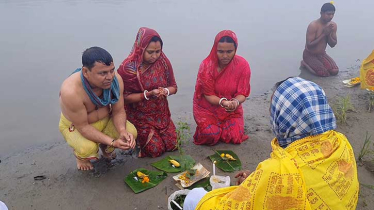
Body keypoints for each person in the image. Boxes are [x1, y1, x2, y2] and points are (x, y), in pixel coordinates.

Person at [186, 77, 359, 210]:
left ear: (285, 117)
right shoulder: (341, 143)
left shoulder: (277, 170)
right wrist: (257, 181)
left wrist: (198, 199)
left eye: (274, 111)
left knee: (195, 198)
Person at [59, 47, 137, 170]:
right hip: (78, 126)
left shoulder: (116, 81)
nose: (110, 77)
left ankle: (105, 148)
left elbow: (118, 111)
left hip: (105, 119)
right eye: (103, 73)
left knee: (130, 132)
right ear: (85, 72)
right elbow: (83, 127)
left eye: (112, 70)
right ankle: (80, 157)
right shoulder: (71, 91)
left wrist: (122, 131)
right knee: (87, 149)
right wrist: (112, 141)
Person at [117, 27, 178, 158]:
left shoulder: (163, 61)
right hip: (140, 115)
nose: (155, 56)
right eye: (150, 52)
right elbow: (123, 98)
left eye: (158, 51)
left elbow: (173, 87)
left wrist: (165, 91)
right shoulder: (128, 69)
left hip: (161, 114)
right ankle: (138, 139)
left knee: (173, 145)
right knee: (155, 150)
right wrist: (147, 95)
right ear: (141, 48)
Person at [193, 30, 251, 146]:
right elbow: (208, 94)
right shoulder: (207, 66)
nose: (225, 56)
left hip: (231, 110)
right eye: (220, 52)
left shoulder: (242, 65)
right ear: (215, 49)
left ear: (235, 50)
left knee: (234, 137)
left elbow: (242, 93)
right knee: (210, 135)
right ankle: (207, 128)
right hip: (208, 109)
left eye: (229, 51)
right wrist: (222, 102)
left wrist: (235, 102)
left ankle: (226, 127)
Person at [301, 2, 339, 77]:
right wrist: (324, 34)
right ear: (321, 13)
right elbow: (309, 45)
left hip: (322, 54)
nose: (331, 16)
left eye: (332, 14)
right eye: (328, 14)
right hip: (310, 54)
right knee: (323, 73)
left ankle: (316, 64)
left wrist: (328, 34)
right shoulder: (313, 25)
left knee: (334, 71)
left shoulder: (332, 25)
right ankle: (304, 63)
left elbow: (333, 44)